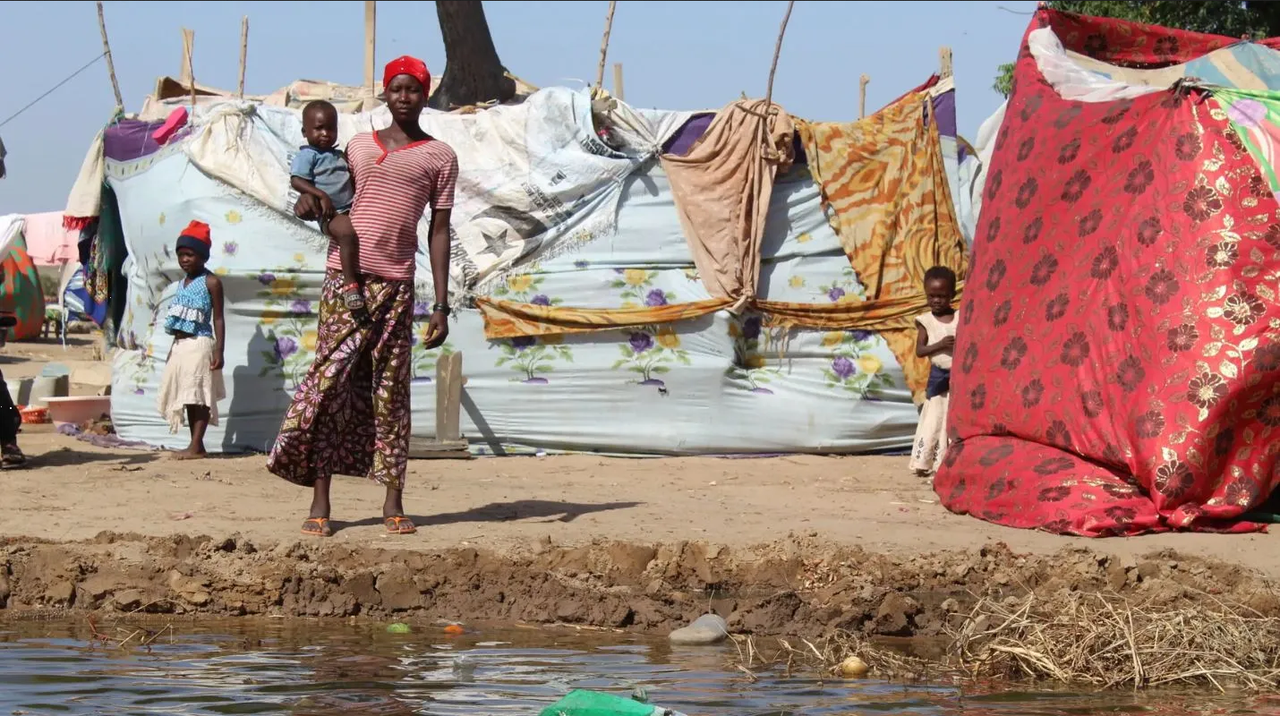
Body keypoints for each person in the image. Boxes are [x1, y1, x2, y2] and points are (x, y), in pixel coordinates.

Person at [266, 55, 457, 538]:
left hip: (396, 285)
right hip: (344, 279)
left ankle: (393, 500)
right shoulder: (355, 146)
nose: (404, 98)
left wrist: (440, 304)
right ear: (385, 94)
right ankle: (320, 500)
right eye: (396, 89)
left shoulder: (440, 157)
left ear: (425, 95)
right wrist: (308, 201)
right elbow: (326, 196)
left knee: (390, 392)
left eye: (413, 90)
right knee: (330, 385)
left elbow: (439, 231)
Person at [156, 220, 227, 459]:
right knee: (188, 395)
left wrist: (219, 351)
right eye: (181, 255)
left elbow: (218, 318)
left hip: (200, 343)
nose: (184, 259)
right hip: (181, 345)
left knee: (199, 395)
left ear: (203, 257)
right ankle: (196, 445)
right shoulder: (181, 284)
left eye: (190, 254)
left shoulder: (211, 282)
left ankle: (196, 445)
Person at [289, 100, 365, 317]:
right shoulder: (308, 155)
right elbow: (296, 180)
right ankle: (350, 284)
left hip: (350, 208)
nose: (325, 134)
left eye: (331, 128)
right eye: (319, 128)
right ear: (305, 132)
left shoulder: (338, 155)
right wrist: (321, 195)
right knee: (346, 234)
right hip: (331, 214)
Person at [909, 265, 959, 478]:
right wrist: (940, 345)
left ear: (952, 295)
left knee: (952, 421)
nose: (936, 300)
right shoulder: (926, 321)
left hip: (958, 380)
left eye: (942, 296)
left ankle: (946, 462)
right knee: (934, 420)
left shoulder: (961, 317)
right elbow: (920, 351)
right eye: (932, 296)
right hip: (939, 379)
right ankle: (924, 461)